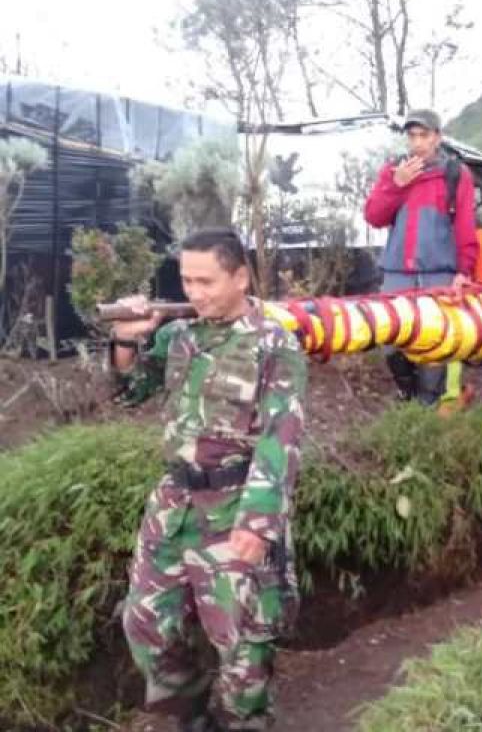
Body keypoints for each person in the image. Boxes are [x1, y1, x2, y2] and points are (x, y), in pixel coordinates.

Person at [112, 228, 306, 732]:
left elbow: (280, 437)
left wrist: (258, 524)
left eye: (206, 281)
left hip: (236, 505)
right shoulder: (179, 337)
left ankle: (246, 721)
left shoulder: (274, 344)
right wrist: (128, 339)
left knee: (244, 646)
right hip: (174, 506)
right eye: (186, 281)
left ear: (240, 277)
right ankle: (190, 718)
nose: (194, 293)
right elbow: (130, 392)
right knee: (147, 624)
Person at [364, 109, 478, 406]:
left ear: (437, 138)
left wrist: (464, 271)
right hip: (398, 273)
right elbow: (374, 216)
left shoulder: (456, 175)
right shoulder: (393, 172)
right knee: (389, 339)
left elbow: (465, 226)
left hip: (438, 275)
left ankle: (428, 406)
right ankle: (407, 392)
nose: (417, 142)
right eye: (412, 135)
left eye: (423, 135)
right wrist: (395, 184)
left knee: (434, 344)